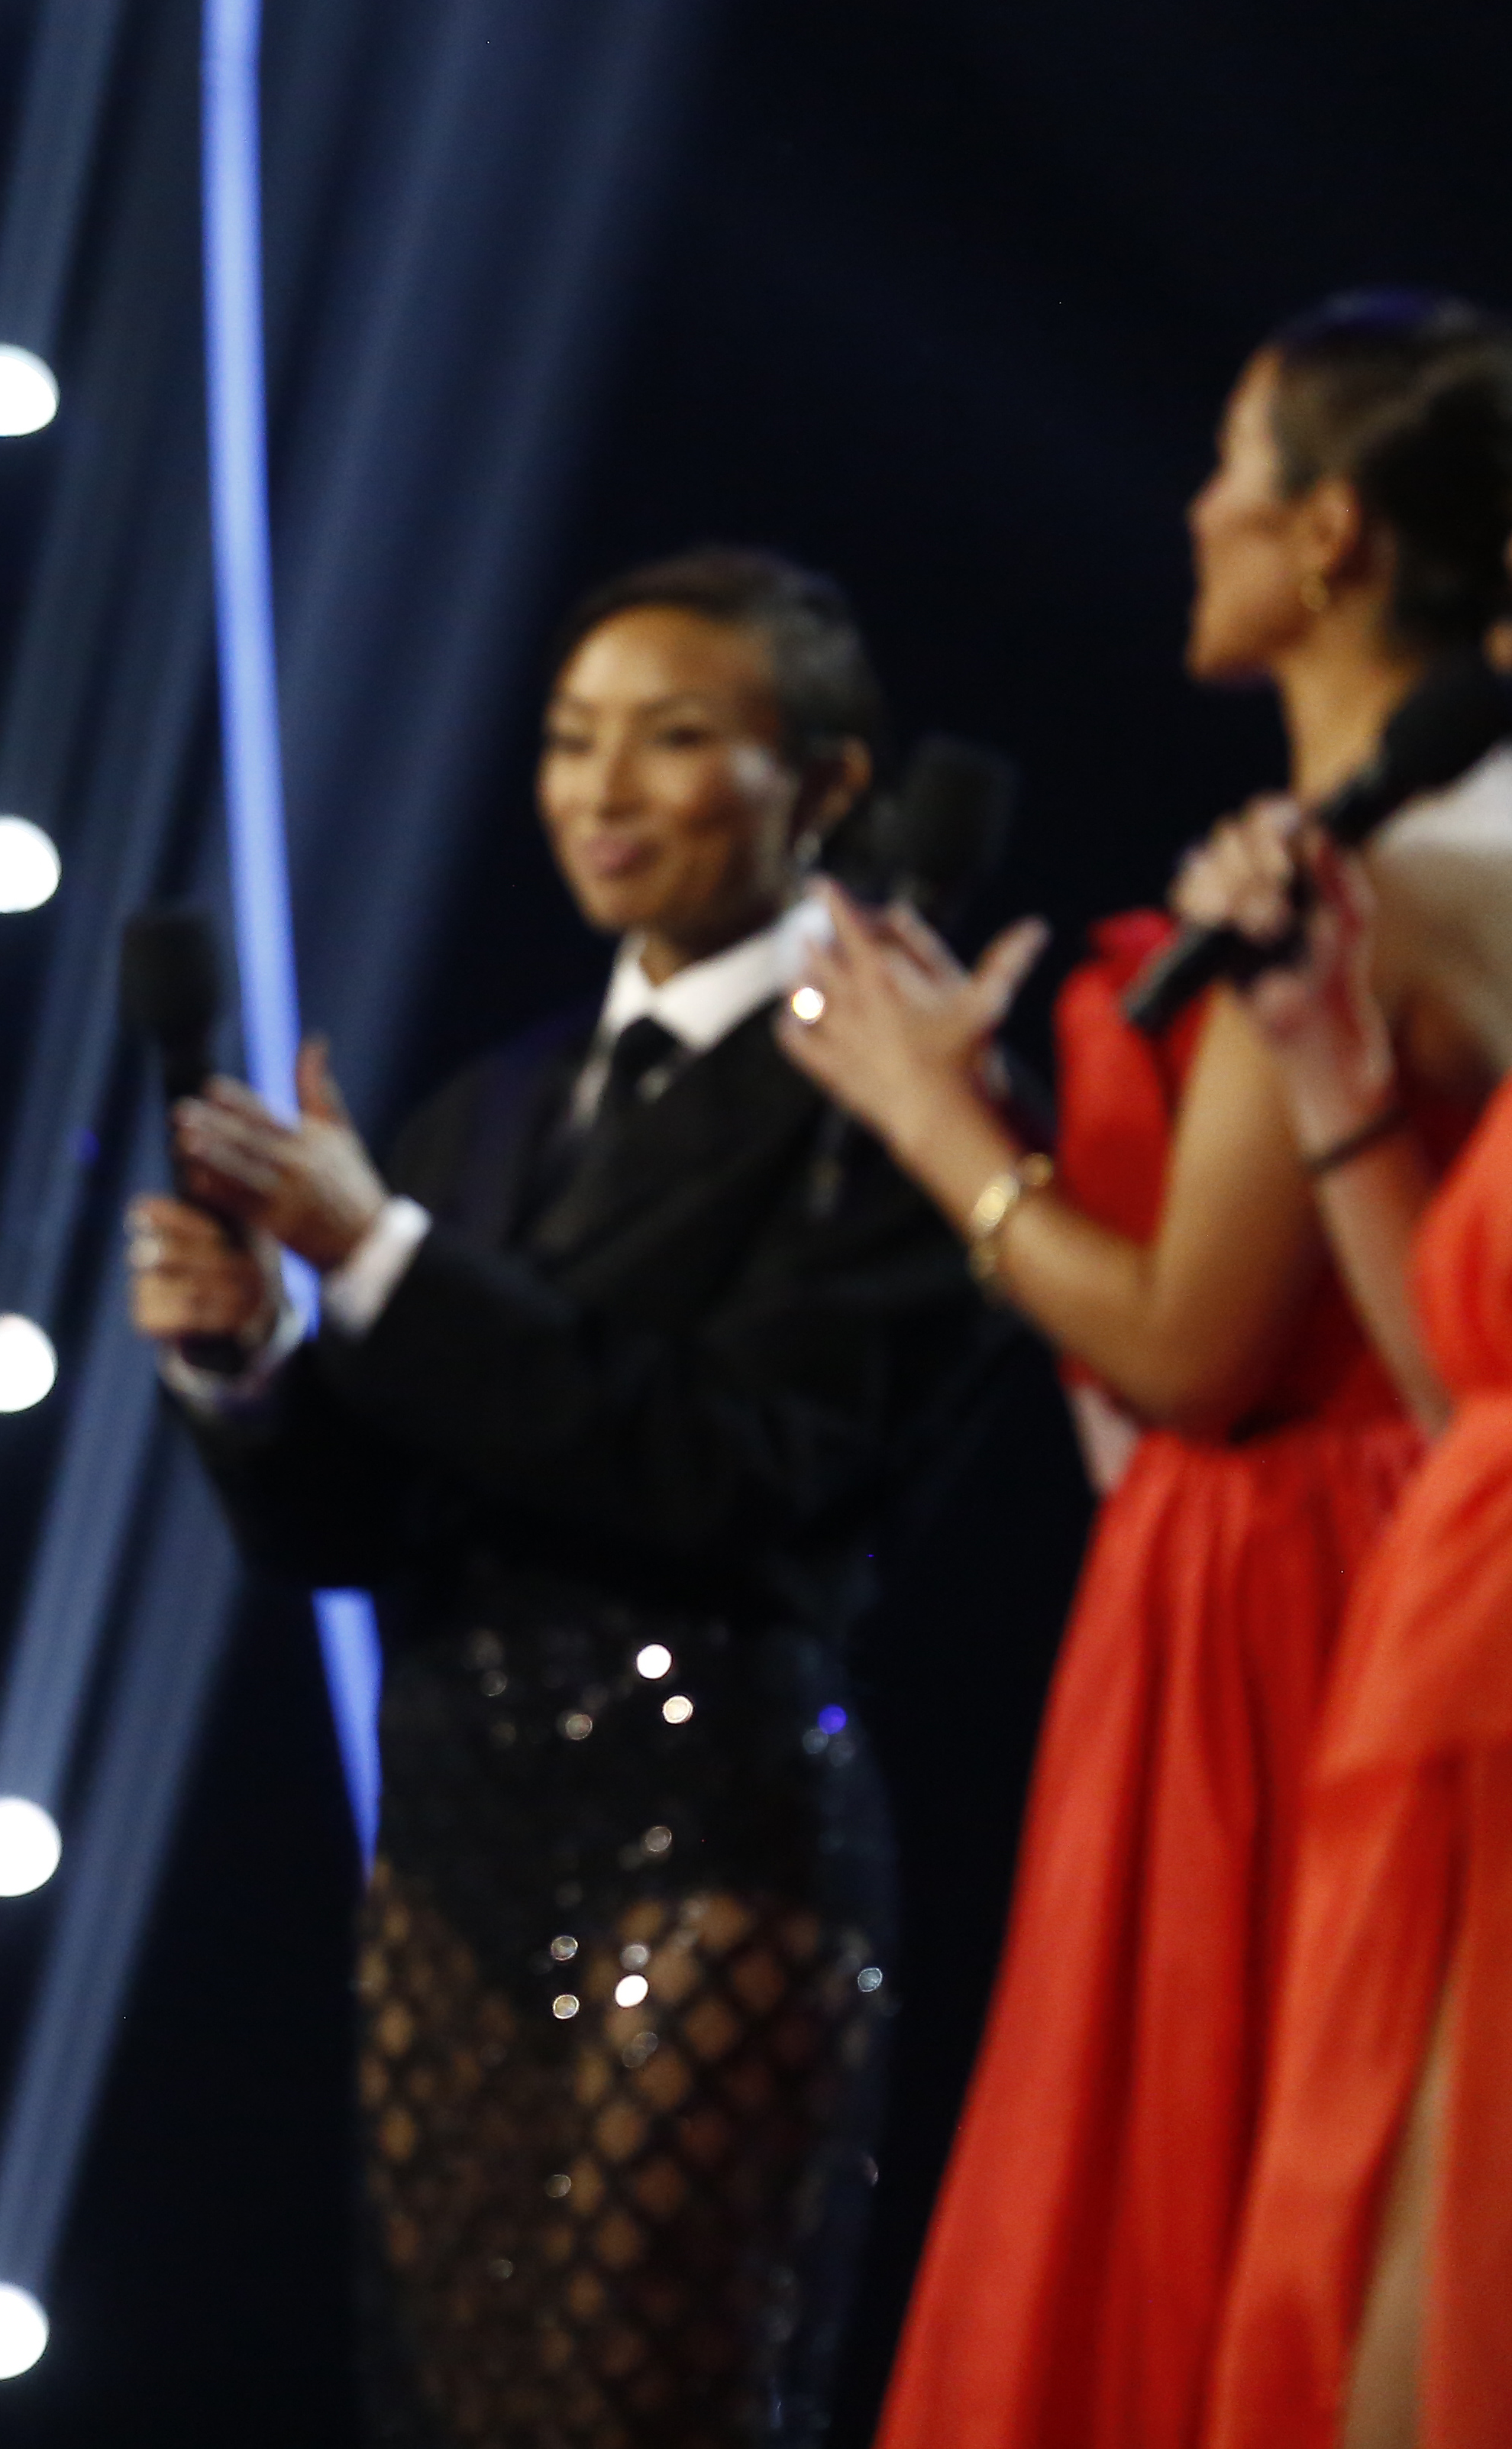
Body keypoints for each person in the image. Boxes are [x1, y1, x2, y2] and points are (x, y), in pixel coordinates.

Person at [128, 549, 1010, 2448]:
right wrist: (246, 1361)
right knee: (464, 2395)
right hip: (453, 1826)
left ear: (827, 786)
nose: (599, 791)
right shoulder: (497, 1101)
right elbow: (356, 1527)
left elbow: (728, 1466)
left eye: (673, 740)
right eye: (569, 741)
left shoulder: (897, 1089)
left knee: (653, 2395)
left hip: (715, 1813)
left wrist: (375, 1248)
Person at [777, 290, 1512, 2449]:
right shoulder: (1335, 863)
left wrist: (936, 1129)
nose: (1191, 506)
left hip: (1321, 1583)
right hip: (1284, 1565)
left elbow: (1196, 1345)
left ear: (1332, 538)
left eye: (1230, 461)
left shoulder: (1400, 868)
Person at [1171, 555, 1512, 2446]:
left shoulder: (1470, 882)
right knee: (1389, 2306)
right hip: (1456, 1681)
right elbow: (1467, 1372)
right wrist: (1315, 1042)